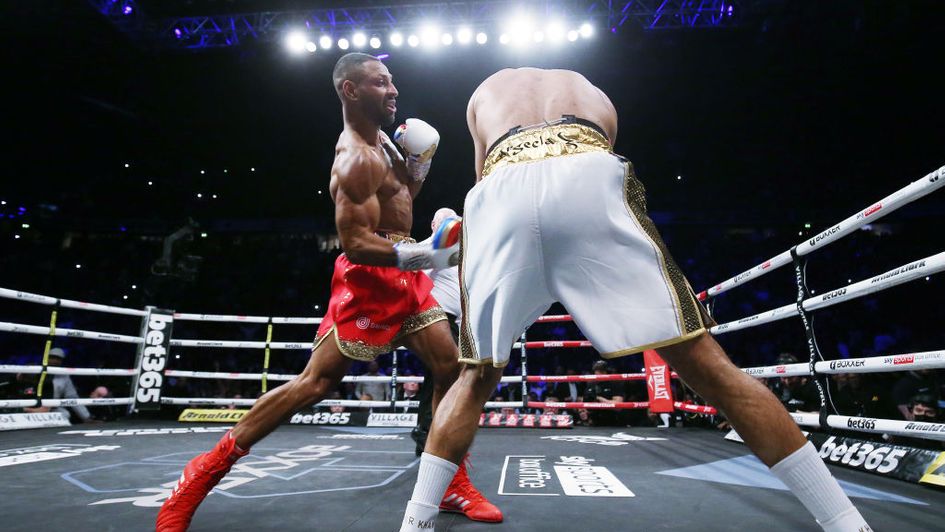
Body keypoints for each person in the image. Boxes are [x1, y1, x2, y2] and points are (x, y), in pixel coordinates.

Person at [400, 67, 871, 532]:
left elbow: (483, 177)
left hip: (500, 188)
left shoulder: (485, 92)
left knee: (475, 376)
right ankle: (847, 522)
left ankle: (414, 524)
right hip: (587, 169)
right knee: (710, 367)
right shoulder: (593, 95)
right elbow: (597, 155)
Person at [157, 52, 501, 531]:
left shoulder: (385, 140)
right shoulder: (354, 158)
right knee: (316, 384)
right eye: (381, 83)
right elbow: (357, 243)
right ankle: (199, 475)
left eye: (393, 81)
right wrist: (428, 257)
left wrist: (417, 169)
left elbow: (398, 207)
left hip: (408, 274)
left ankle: (449, 482)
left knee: (451, 368)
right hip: (371, 278)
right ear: (351, 90)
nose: (394, 90)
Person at [23, 348, 93, 424]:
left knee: (65, 414)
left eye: (58, 359)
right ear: (46, 358)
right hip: (30, 405)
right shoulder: (35, 370)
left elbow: (72, 397)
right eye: (52, 358)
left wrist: (86, 417)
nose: (55, 361)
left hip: (51, 408)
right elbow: (24, 389)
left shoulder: (63, 375)